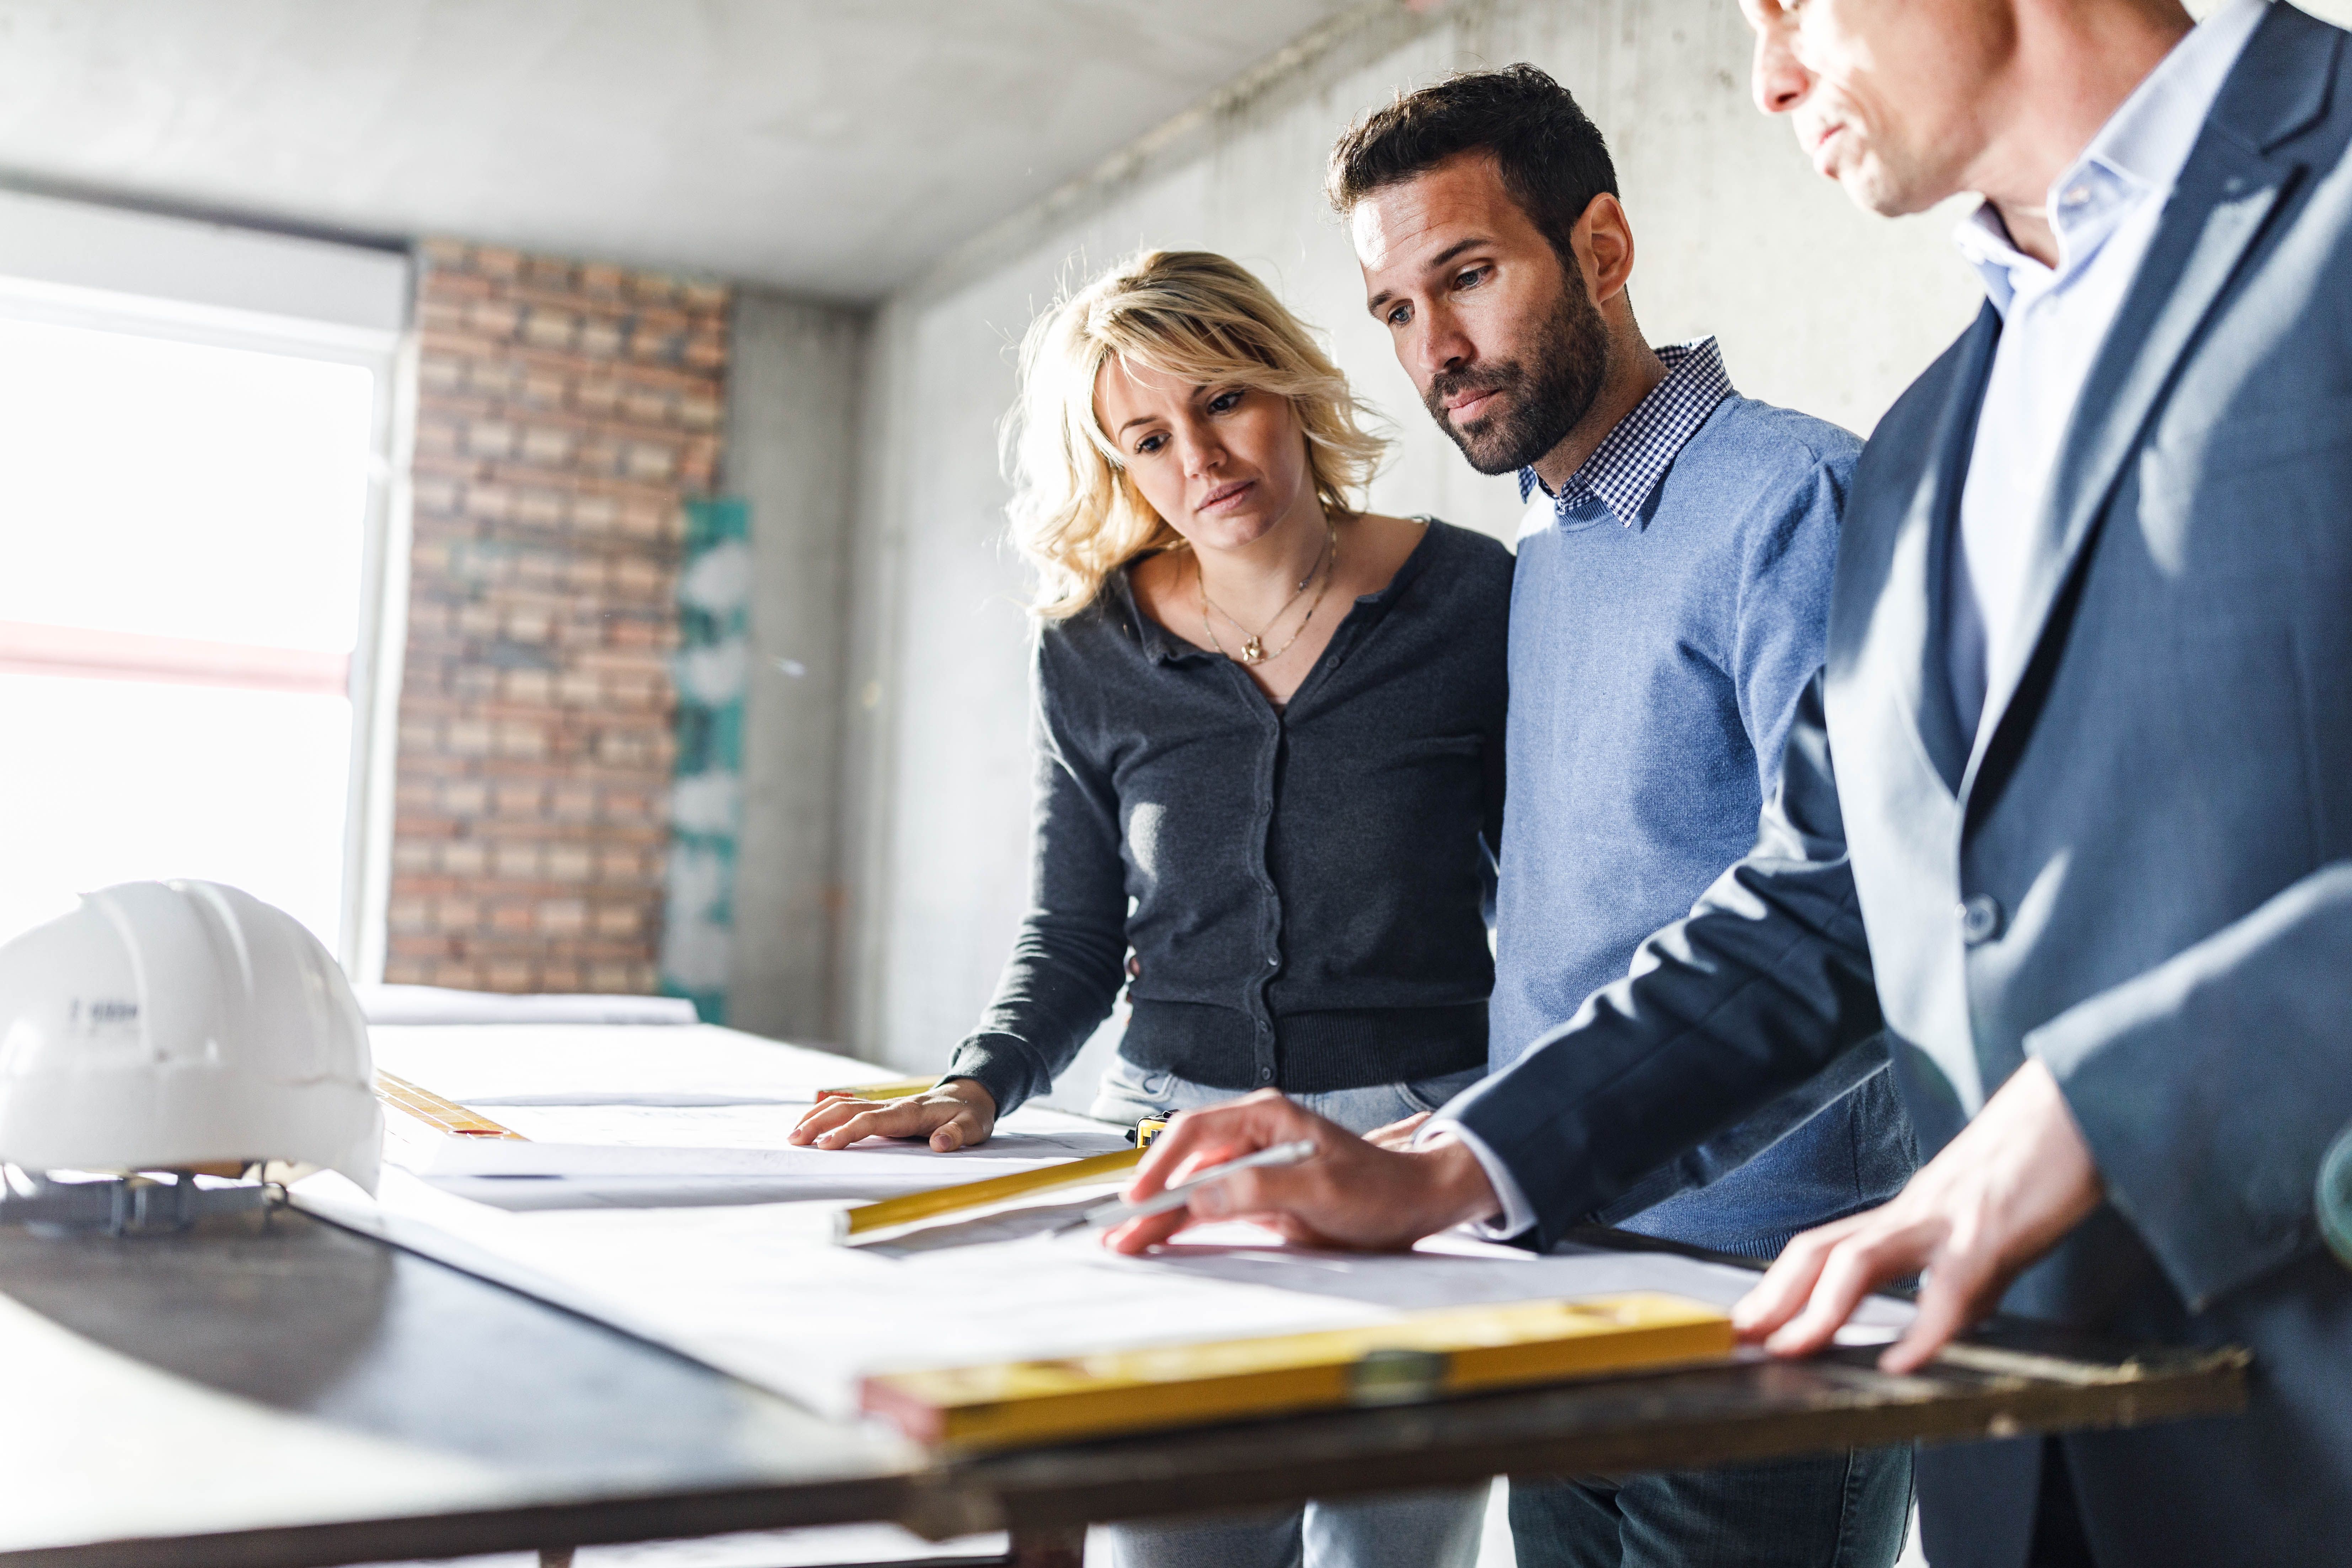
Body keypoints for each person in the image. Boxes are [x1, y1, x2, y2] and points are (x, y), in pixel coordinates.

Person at [1110, 0, 2352, 1562]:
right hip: (2019, 1422)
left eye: (1786, 2)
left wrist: (2119, 1104)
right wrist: (1455, 1160)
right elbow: (1829, 906)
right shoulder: (1926, 448)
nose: (1766, 74)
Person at [792, 248, 1507, 1567]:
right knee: (1183, 1535)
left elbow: (1550, 893)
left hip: (1415, 1133)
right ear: (1118, 465)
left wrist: (1499, 1124)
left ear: (1289, 389)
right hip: (1169, 1146)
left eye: (1226, 398)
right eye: (1148, 436)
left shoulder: (1470, 598)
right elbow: (1070, 934)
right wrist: (980, 1082)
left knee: (1397, 1542)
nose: (1202, 456)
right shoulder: (1089, 650)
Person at [1323, 64, 1915, 1568]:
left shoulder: (1797, 498)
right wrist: (1486, 1134)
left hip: (1764, 1304)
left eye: (1466, 276)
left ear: (1599, 249)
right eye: (1395, 311)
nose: (1436, 349)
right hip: (1558, 1270)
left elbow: (1857, 926)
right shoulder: (1547, 548)